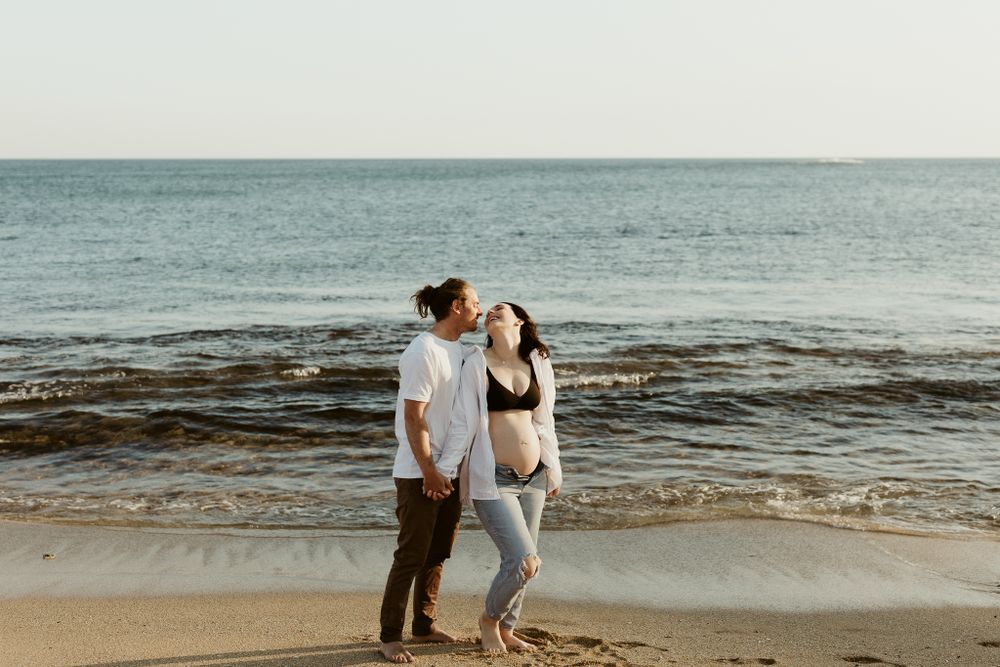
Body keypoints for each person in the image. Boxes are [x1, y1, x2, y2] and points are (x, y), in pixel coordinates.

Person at [445, 302, 562, 654]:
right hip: (493, 478)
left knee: (526, 561)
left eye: (500, 309)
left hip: (535, 477)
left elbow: (545, 421)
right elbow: (464, 423)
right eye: (488, 311)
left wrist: (553, 467)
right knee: (523, 560)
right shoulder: (475, 362)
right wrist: (446, 470)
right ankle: (489, 620)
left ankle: (509, 628)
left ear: (520, 321)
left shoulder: (537, 362)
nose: (491, 312)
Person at [379, 278, 482, 664]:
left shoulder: (463, 352)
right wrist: (429, 471)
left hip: (449, 470)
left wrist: (447, 471)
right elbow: (413, 417)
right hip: (418, 470)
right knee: (411, 555)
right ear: (456, 306)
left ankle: (423, 625)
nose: (479, 309)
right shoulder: (423, 350)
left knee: (438, 552)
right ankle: (390, 636)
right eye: (474, 302)